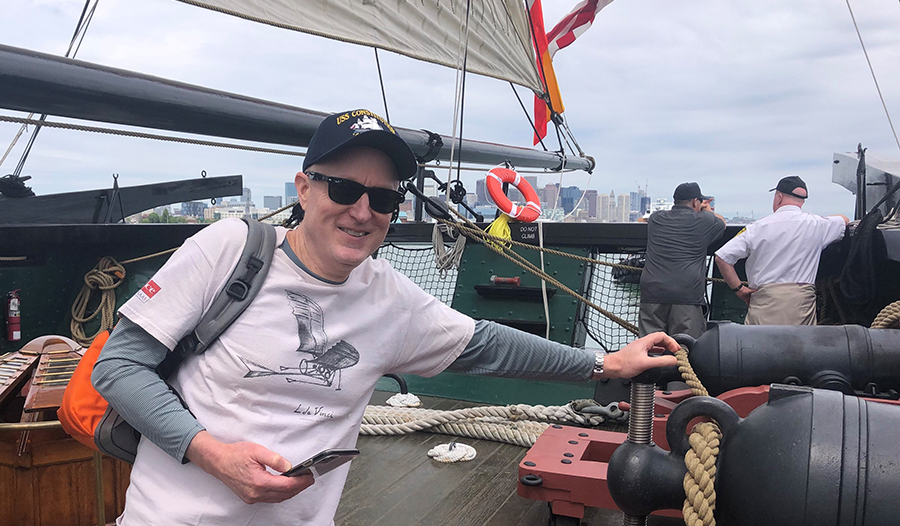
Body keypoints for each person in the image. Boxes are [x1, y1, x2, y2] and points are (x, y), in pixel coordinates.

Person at [92, 109, 680, 526]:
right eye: (344, 188)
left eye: (385, 198)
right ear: (303, 188)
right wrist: (210, 453)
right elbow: (119, 367)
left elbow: (488, 346)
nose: (363, 210)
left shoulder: (389, 299)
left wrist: (608, 361)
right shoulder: (230, 249)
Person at [714, 176, 849, 325]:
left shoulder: (757, 227)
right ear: (802, 201)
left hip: (764, 302)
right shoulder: (817, 224)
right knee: (800, 346)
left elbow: (722, 257)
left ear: (778, 197)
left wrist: (740, 289)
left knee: (757, 345)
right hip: (801, 303)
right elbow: (844, 220)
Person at [639, 182, 726, 339]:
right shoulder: (704, 220)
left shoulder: (656, 219)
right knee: (685, 347)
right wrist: (706, 209)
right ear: (695, 201)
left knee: (650, 347)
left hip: (652, 291)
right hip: (686, 293)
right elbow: (721, 223)